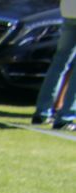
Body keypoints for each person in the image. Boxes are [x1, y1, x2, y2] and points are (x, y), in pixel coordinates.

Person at [33, 0, 76, 129]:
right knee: (61, 63)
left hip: (70, 9)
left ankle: (42, 112)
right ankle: (65, 117)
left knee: (59, 63)